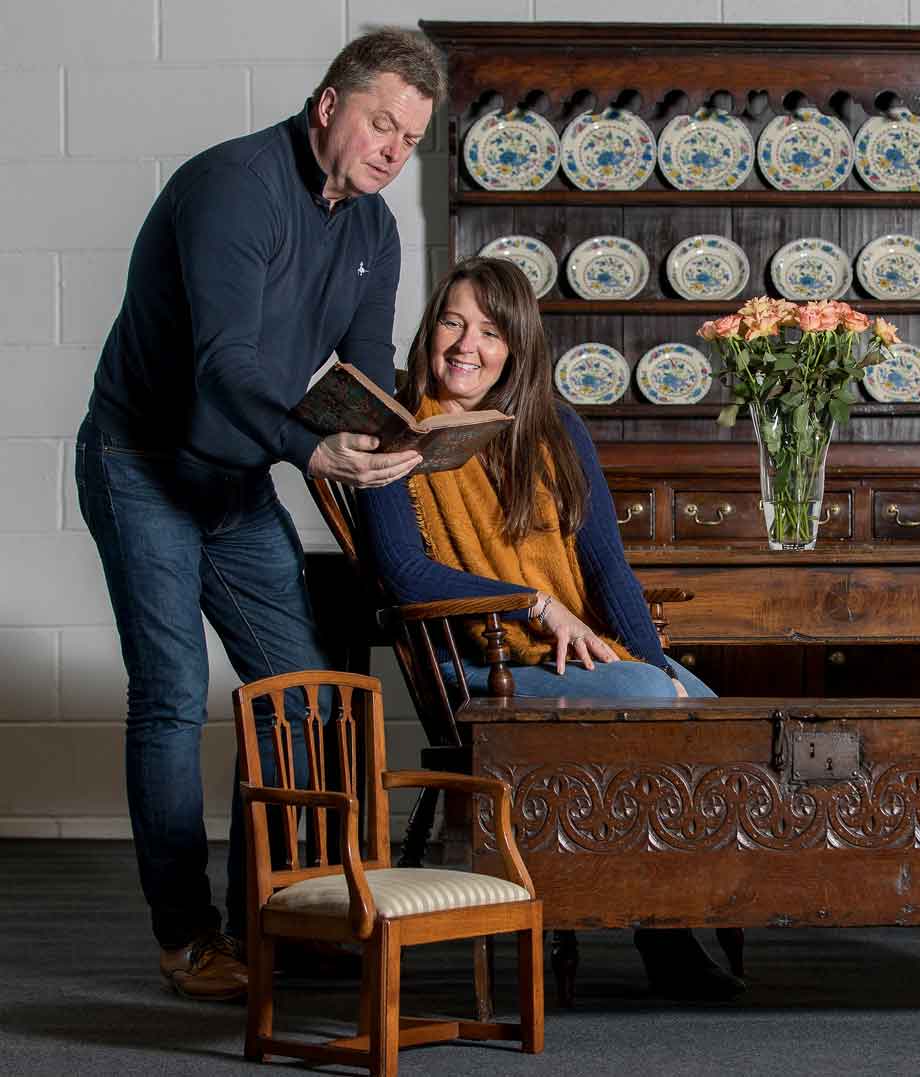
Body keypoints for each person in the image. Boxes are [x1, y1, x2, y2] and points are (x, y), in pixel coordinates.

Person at [75, 29, 444, 1001]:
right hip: (145, 463)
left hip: (235, 480)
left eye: (409, 139)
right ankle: (187, 938)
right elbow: (225, 367)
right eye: (380, 124)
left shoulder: (374, 227)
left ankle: (277, 916)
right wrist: (313, 450)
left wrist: (397, 441)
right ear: (328, 106)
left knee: (305, 696)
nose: (391, 151)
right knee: (170, 695)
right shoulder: (232, 189)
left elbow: (361, 373)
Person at [358, 256, 743, 1000]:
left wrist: (653, 661)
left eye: (491, 330)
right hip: (478, 662)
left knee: (706, 712)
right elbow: (406, 574)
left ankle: (672, 914)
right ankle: (660, 937)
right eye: (453, 320)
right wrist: (533, 605)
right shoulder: (394, 432)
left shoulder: (554, 428)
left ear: (517, 347)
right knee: (654, 703)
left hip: (558, 654)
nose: (467, 344)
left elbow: (606, 570)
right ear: (429, 328)